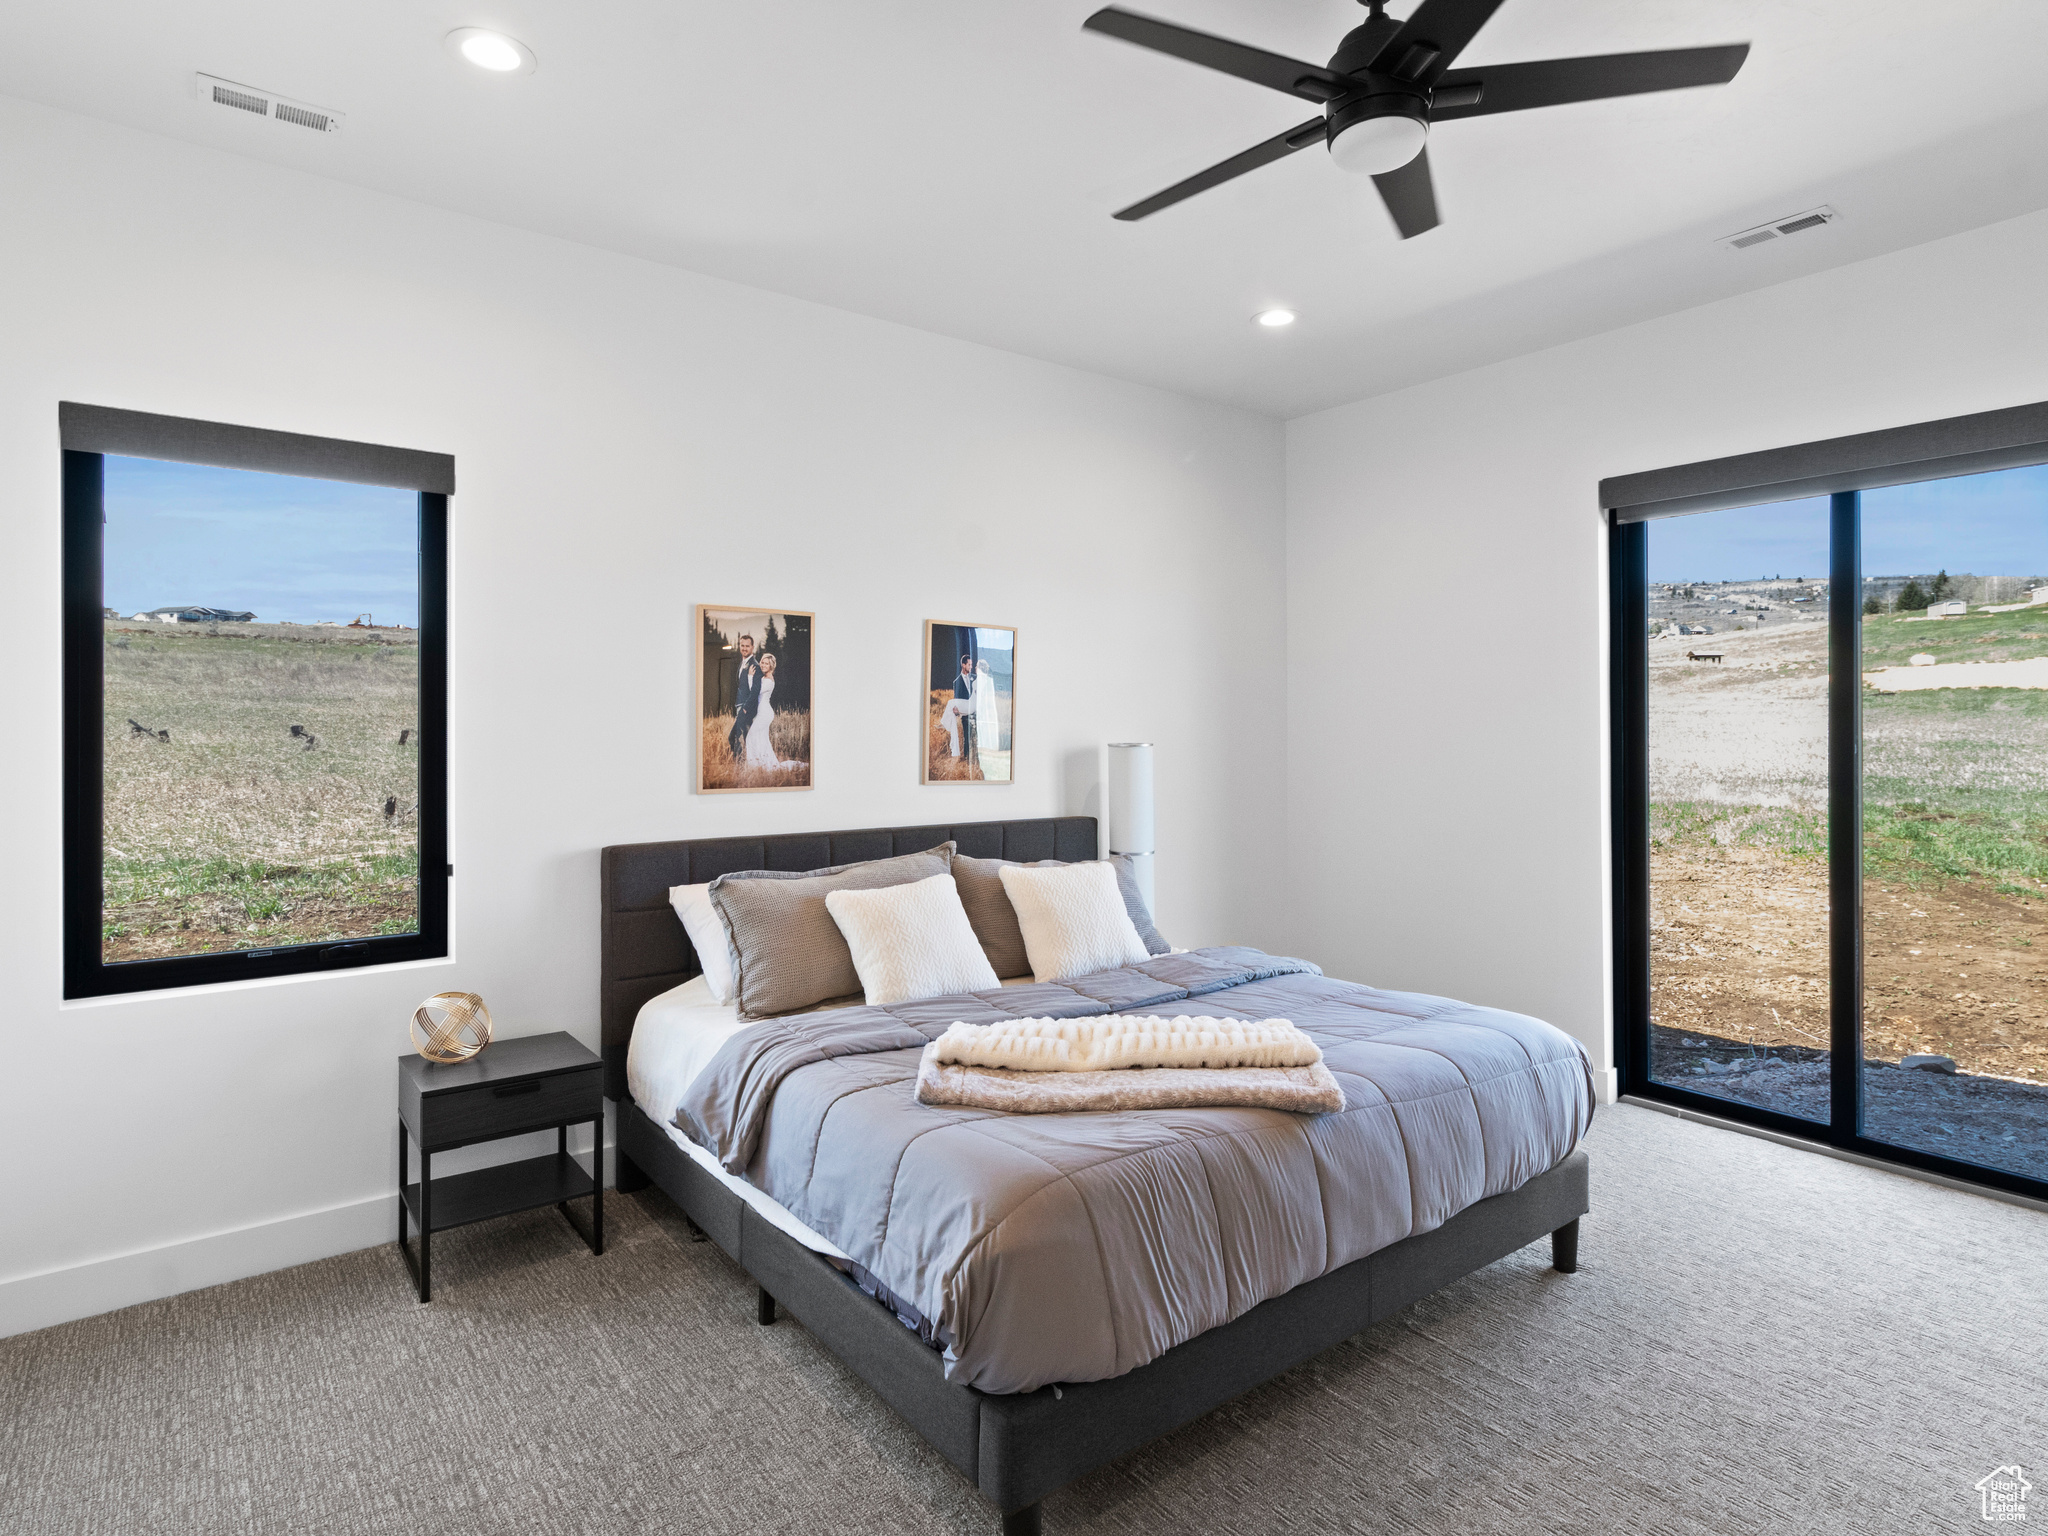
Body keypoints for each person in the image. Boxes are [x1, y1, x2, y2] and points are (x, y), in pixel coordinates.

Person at [744, 653, 802, 772]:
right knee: (761, 739)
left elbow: (754, 692)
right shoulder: (763, 678)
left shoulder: (769, 681)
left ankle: (755, 765)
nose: (763, 665)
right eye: (762, 662)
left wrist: (750, 676)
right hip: (761, 713)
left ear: (771, 666)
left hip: (765, 713)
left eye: (766, 663)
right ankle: (762, 765)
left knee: (751, 737)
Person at [727, 633, 761, 762]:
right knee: (747, 738)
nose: (744, 648)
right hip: (740, 706)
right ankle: (751, 764)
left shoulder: (754, 665)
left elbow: (755, 691)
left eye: (747, 646)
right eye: (742, 645)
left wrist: (745, 708)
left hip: (747, 708)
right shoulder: (742, 663)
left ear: (752, 647)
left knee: (735, 737)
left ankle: (740, 765)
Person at [940, 654, 976, 759]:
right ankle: (967, 760)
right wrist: (956, 711)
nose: (971, 667)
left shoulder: (975, 678)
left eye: (972, 664)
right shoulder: (957, 682)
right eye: (969, 664)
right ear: (963, 665)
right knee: (967, 738)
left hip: (977, 712)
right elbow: (956, 700)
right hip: (965, 715)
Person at [972, 657, 1001, 760]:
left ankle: (983, 744)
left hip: (981, 708)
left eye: (976, 666)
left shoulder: (980, 679)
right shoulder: (988, 679)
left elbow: (979, 697)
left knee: (981, 726)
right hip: (986, 709)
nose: (975, 668)